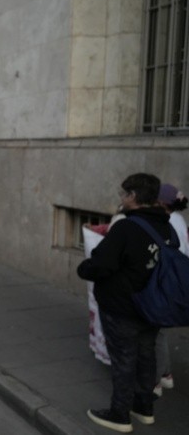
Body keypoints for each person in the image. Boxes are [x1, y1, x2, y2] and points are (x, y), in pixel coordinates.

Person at [78, 173, 172, 432]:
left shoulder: (126, 228)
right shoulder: (166, 226)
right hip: (153, 305)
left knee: (124, 360)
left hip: (123, 307)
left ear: (132, 196)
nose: (121, 198)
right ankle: (144, 407)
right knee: (146, 356)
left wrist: (85, 267)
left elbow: (102, 264)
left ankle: (119, 414)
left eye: (123, 194)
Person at [152, 183, 188, 397]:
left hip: (167, 281)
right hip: (173, 280)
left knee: (156, 333)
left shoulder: (168, 222)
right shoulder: (178, 219)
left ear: (161, 203)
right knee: (158, 331)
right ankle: (164, 374)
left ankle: (156, 380)